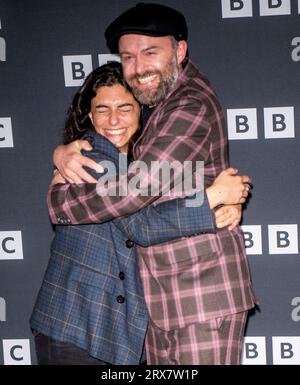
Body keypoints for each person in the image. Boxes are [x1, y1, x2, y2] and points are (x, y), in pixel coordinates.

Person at [48, 3, 256, 365]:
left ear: (180, 49)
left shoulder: (187, 105)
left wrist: (61, 205)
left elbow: (137, 192)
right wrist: (210, 199)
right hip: (161, 305)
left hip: (200, 297)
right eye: (128, 57)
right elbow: (171, 189)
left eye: (150, 53)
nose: (139, 67)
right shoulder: (158, 108)